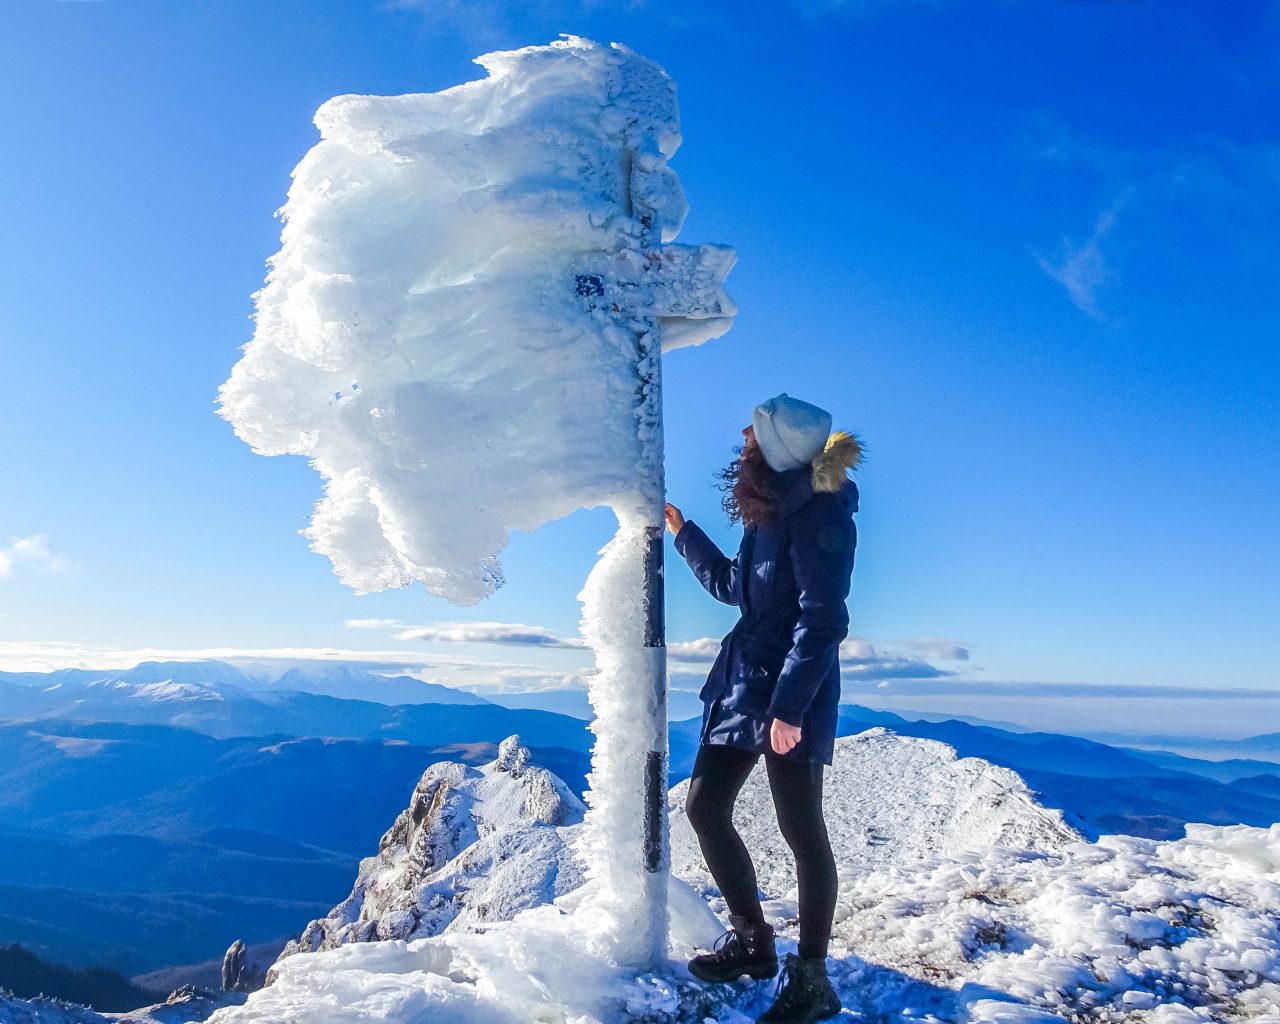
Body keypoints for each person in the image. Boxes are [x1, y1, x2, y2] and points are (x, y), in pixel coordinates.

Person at [665, 393, 860, 1024]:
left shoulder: (821, 517)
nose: (742, 436)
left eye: (753, 431)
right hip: (741, 685)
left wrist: (791, 708)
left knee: (802, 833)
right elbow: (734, 589)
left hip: (787, 697)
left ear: (774, 448)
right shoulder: (767, 512)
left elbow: (824, 619)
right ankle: (752, 944)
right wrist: (683, 532)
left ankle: (812, 981)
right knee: (703, 806)